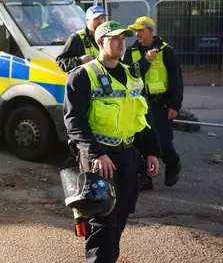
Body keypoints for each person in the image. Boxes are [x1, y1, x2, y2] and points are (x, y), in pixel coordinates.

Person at [64, 20, 161, 263]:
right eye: (114, 38)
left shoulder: (131, 74)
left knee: (120, 216)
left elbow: (143, 117)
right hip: (100, 159)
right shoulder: (83, 76)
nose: (121, 43)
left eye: (123, 38)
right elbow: (74, 121)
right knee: (102, 222)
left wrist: (151, 152)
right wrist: (96, 154)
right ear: (100, 42)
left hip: (127, 156)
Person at [124, 16, 183, 189]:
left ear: (150, 30)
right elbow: (129, 75)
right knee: (139, 141)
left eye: (140, 30)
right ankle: (145, 177)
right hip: (138, 101)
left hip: (159, 103)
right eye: (135, 31)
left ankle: (173, 164)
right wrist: (145, 61)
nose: (137, 34)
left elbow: (176, 80)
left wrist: (175, 105)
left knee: (162, 141)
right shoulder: (131, 51)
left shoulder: (166, 51)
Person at [56, 6, 106, 73]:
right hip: (84, 81)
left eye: (102, 18)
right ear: (87, 20)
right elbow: (61, 61)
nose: (100, 22)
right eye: (96, 18)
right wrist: (79, 61)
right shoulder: (77, 38)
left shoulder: (108, 37)